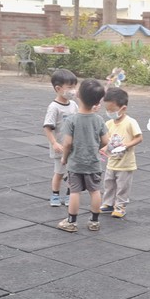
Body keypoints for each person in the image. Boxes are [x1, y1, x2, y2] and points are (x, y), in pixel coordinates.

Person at [56, 78, 108, 233]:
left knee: (74, 192)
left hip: (76, 163)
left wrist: (65, 158)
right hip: (93, 163)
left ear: (78, 95)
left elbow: (67, 143)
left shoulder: (71, 120)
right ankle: (94, 221)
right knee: (95, 191)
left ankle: (71, 222)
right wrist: (95, 148)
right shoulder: (99, 120)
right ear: (97, 101)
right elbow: (106, 141)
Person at [99, 88, 143, 219]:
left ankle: (120, 206)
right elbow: (107, 141)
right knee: (109, 183)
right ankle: (108, 203)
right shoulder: (108, 123)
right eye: (107, 110)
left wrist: (126, 145)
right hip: (112, 162)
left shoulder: (130, 122)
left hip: (125, 163)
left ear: (123, 108)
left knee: (122, 186)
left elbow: (139, 138)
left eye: (112, 110)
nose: (109, 113)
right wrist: (104, 148)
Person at [43, 69, 78, 207]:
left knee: (72, 173)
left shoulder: (73, 105)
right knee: (59, 172)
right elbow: (47, 127)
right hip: (60, 148)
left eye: (74, 87)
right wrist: (54, 143)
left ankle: (69, 194)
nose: (73, 90)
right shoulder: (54, 107)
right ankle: (55, 194)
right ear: (58, 89)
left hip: (72, 147)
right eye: (70, 87)